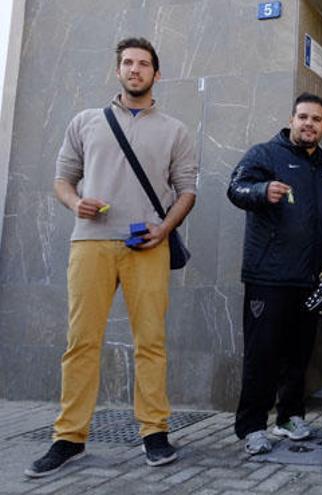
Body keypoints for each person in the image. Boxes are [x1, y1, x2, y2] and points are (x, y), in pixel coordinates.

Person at [26, 38, 198, 478]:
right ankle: (68, 437)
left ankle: (154, 432)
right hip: (90, 243)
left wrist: (165, 229)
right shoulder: (85, 122)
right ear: (117, 70)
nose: (134, 69)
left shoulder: (175, 129)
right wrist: (73, 202)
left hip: (148, 245)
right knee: (81, 341)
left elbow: (187, 190)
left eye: (143, 64)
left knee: (151, 343)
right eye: (127, 62)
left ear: (157, 74)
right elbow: (62, 180)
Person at [227, 92, 322, 455]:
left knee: (298, 354)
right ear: (292, 119)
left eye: (316, 119)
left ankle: (289, 416)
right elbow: (234, 188)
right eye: (303, 117)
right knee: (262, 354)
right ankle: (251, 426)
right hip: (268, 277)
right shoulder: (264, 154)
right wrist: (261, 190)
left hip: (309, 278)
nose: (309, 124)